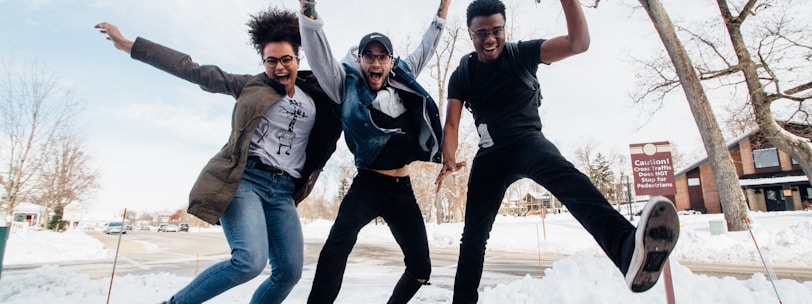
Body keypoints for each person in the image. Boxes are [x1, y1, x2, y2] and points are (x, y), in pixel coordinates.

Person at [434, 0, 680, 302]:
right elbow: (451, 125)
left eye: (496, 30)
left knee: (571, 181)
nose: (489, 39)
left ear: (504, 28)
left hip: (528, 142)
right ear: (470, 33)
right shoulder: (464, 73)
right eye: (481, 32)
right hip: (491, 154)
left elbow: (579, 44)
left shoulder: (521, 53)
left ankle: (627, 250)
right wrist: (448, 156)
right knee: (473, 237)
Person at [94, 7, 341, 304]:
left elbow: (346, 81)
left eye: (286, 59)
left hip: (283, 191)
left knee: (289, 272)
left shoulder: (317, 94)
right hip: (244, 181)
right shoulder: (250, 85)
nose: (279, 67)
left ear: (298, 60)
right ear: (263, 63)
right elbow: (191, 69)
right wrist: (130, 45)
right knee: (249, 261)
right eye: (271, 61)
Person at [297, 0, 451, 302]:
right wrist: (308, 13)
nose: (376, 63)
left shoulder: (404, 76)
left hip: (402, 189)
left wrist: (443, 9)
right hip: (368, 185)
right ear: (360, 59)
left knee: (421, 269)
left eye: (382, 57)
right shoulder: (346, 84)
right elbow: (320, 58)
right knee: (336, 248)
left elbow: (426, 47)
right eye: (369, 56)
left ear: (391, 61)